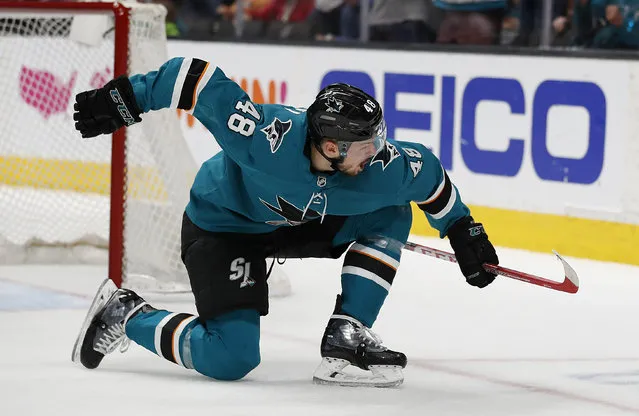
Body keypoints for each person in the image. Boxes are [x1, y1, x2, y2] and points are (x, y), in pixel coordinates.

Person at [70, 57, 499, 387]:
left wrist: (463, 229)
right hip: (225, 228)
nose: (378, 152)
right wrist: (124, 99)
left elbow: (429, 176)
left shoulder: (378, 166)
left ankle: (348, 333)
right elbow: (193, 78)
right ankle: (125, 313)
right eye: (367, 146)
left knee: (391, 210)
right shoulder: (263, 138)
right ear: (331, 147)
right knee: (231, 358)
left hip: (299, 222)